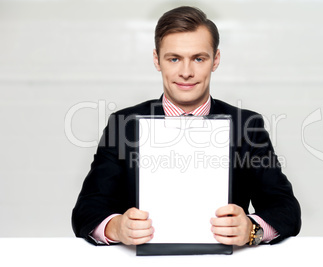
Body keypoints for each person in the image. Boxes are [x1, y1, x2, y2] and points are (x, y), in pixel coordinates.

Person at [72, 6, 301, 247]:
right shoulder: (123, 125)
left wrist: (251, 229)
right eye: (174, 59)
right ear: (156, 60)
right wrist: (116, 227)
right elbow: (86, 211)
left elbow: (286, 208)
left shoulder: (247, 126)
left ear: (216, 60)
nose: (186, 72)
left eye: (198, 58)